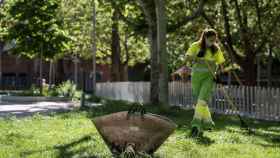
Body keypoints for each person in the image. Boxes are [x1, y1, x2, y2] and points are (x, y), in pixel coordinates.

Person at [185, 28, 226, 137]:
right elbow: (187, 58)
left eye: (214, 40)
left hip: (209, 77)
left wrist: (220, 75)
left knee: (202, 100)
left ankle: (196, 125)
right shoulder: (195, 46)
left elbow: (221, 63)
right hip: (196, 77)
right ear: (205, 38)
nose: (212, 42)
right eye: (210, 39)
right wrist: (197, 57)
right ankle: (208, 124)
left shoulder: (216, 49)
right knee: (199, 101)